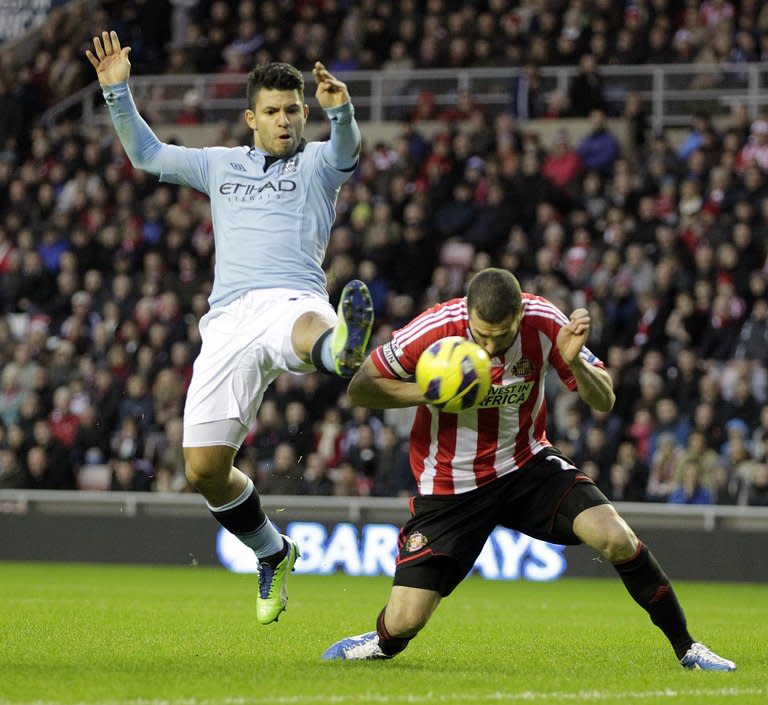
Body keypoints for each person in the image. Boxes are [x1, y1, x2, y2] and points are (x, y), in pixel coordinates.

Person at [86, 31, 373, 625]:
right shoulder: (220, 166)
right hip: (226, 320)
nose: (286, 120)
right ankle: (273, 551)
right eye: (273, 111)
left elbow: (347, 149)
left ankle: (337, 347)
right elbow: (148, 155)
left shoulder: (319, 162)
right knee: (203, 470)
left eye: (294, 109)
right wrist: (118, 93)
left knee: (308, 327)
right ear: (251, 118)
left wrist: (339, 110)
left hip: (291, 298)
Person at [322, 268, 735, 671]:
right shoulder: (435, 328)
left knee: (616, 538)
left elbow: (605, 399)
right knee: (404, 623)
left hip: (525, 464)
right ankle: (379, 641)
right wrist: (431, 391)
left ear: (520, 315)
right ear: (467, 313)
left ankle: (688, 648)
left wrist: (575, 364)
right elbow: (361, 387)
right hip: (451, 485)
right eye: (481, 335)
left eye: (500, 336)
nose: (488, 346)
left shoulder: (546, 321)